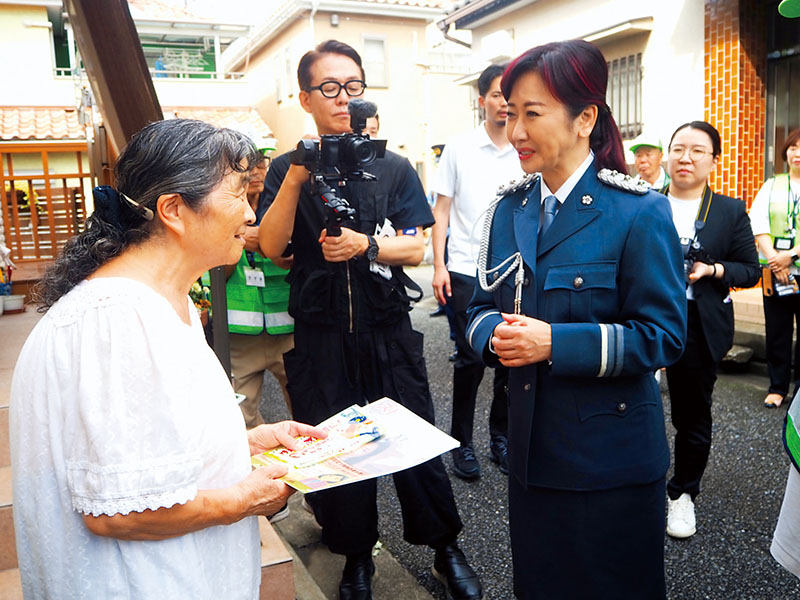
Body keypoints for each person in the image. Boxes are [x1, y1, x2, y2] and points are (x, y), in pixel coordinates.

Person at [9, 119, 326, 599]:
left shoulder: (157, 302)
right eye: (240, 194)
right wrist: (244, 498)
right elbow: (117, 512)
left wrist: (249, 442)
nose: (249, 214)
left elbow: (146, 445)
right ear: (174, 209)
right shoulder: (117, 320)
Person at [258, 40, 482, 600]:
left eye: (353, 86)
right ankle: (356, 556)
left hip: (387, 330)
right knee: (334, 453)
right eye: (329, 88)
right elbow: (269, 244)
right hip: (320, 336)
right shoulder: (286, 169)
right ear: (306, 97)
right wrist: (296, 177)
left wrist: (366, 247)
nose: (343, 98)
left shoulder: (393, 165)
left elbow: (416, 248)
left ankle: (443, 549)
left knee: (416, 446)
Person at [466, 40, 687, 599]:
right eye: (509, 113)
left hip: (608, 465)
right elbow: (475, 310)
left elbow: (663, 336)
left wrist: (554, 343)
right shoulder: (508, 207)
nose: (515, 130)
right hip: (530, 456)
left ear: (585, 117)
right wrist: (496, 335)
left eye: (532, 114)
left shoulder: (637, 211)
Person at [660, 121, 760, 539]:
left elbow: (750, 269)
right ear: (667, 157)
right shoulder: (643, 202)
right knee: (625, 408)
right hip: (642, 321)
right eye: (679, 148)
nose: (686, 157)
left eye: (697, 151)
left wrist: (713, 268)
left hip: (698, 326)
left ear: (713, 162)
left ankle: (682, 494)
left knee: (691, 415)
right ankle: (626, 485)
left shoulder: (729, 210)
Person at [431, 63, 523, 479]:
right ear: (482, 99)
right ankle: (461, 442)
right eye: (498, 95)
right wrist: (438, 265)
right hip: (467, 267)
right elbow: (442, 210)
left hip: (515, 271)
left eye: (512, 95)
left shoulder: (526, 147)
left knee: (510, 359)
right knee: (470, 360)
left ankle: (500, 437)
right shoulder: (460, 148)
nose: (505, 103)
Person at [225, 151, 295, 431]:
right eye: (247, 167)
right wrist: (239, 239)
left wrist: (268, 242)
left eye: (261, 165)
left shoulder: (286, 207)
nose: (254, 172)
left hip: (288, 327)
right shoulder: (226, 213)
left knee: (307, 407)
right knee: (238, 419)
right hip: (240, 334)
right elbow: (216, 273)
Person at [749, 128, 800, 409]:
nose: (797, 153)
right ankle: (777, 387)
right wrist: (773, 258)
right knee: (777, 331)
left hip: (793, 264)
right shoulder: (772, 184)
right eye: (793, 147)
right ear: (786, 152)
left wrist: (790, 255)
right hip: (776, 272)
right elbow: (758, 222)